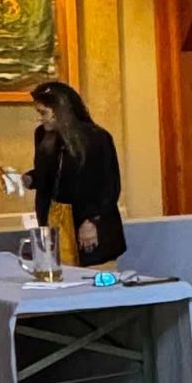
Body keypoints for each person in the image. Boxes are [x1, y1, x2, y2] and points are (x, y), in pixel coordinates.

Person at [21, 82, 125, 266]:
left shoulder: (97, 138)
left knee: (95, 283)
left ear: (61, 110)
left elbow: (110, 186)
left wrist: (91, 221)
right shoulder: (42, 135)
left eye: (44, 113)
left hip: (89, 224)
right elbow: (51, 175)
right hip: (54, 223)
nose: (41, 120)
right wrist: (29, 178)